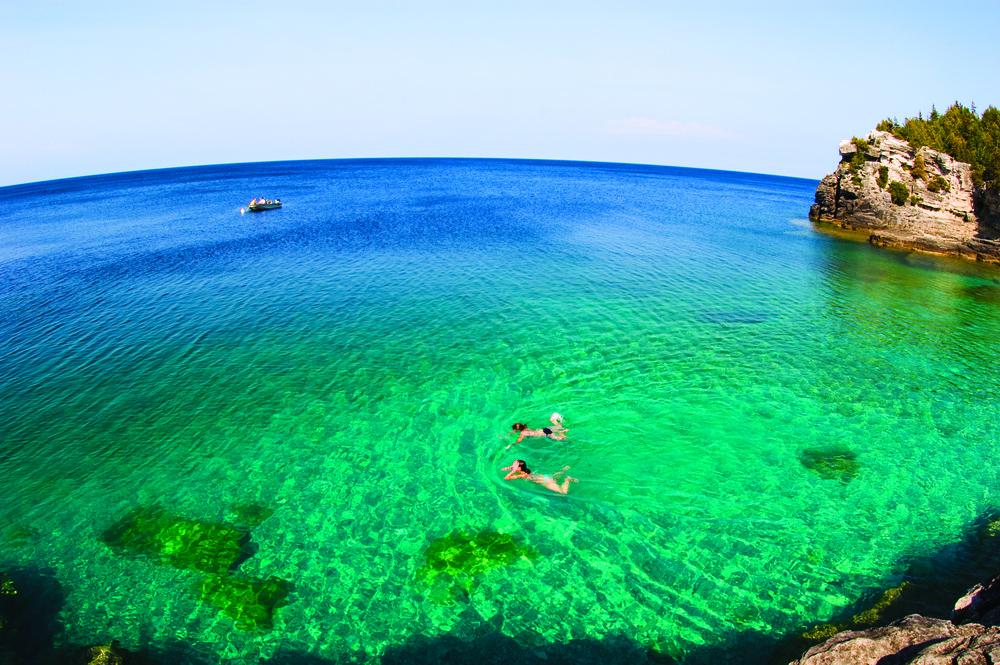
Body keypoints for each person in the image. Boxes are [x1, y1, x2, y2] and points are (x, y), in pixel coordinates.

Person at [502, 459, 576, 495]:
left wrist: (513, 471)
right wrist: (509, 468)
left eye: (514, 465)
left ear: (519, 468)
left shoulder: (523, 475)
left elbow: (506, 478)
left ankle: (567, 480)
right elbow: (509, 468)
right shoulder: (524, 469)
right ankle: (563, 470)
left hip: (545, 482)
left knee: (563, 493)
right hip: (545, 477)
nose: (513, 465)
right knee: (553, 477)